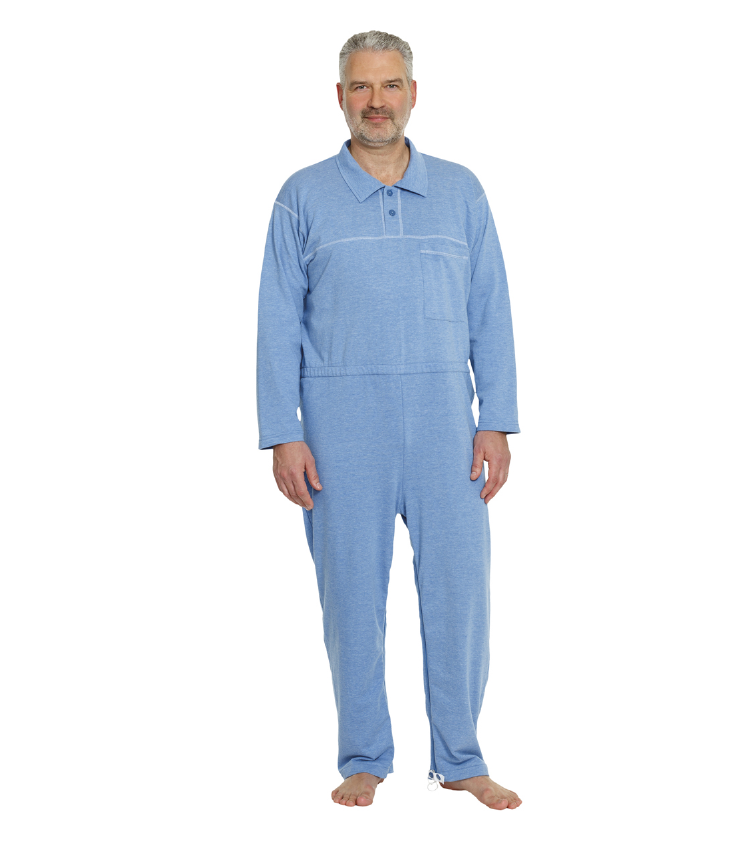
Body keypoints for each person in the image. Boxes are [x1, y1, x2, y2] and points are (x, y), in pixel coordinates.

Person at [256, 30, 522, 811]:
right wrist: (282, 430)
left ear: (413, 92)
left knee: (459, 591)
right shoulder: (301, 196)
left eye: (391, 85)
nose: (377, 101)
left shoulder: (461, 191)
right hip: (338, 427)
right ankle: (364, 756)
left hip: (446, 424)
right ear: (340, 97)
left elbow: (491, 310)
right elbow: (276, 319)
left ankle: (461, 758)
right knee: (350, 596)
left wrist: (496, 416)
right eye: (362, 87)